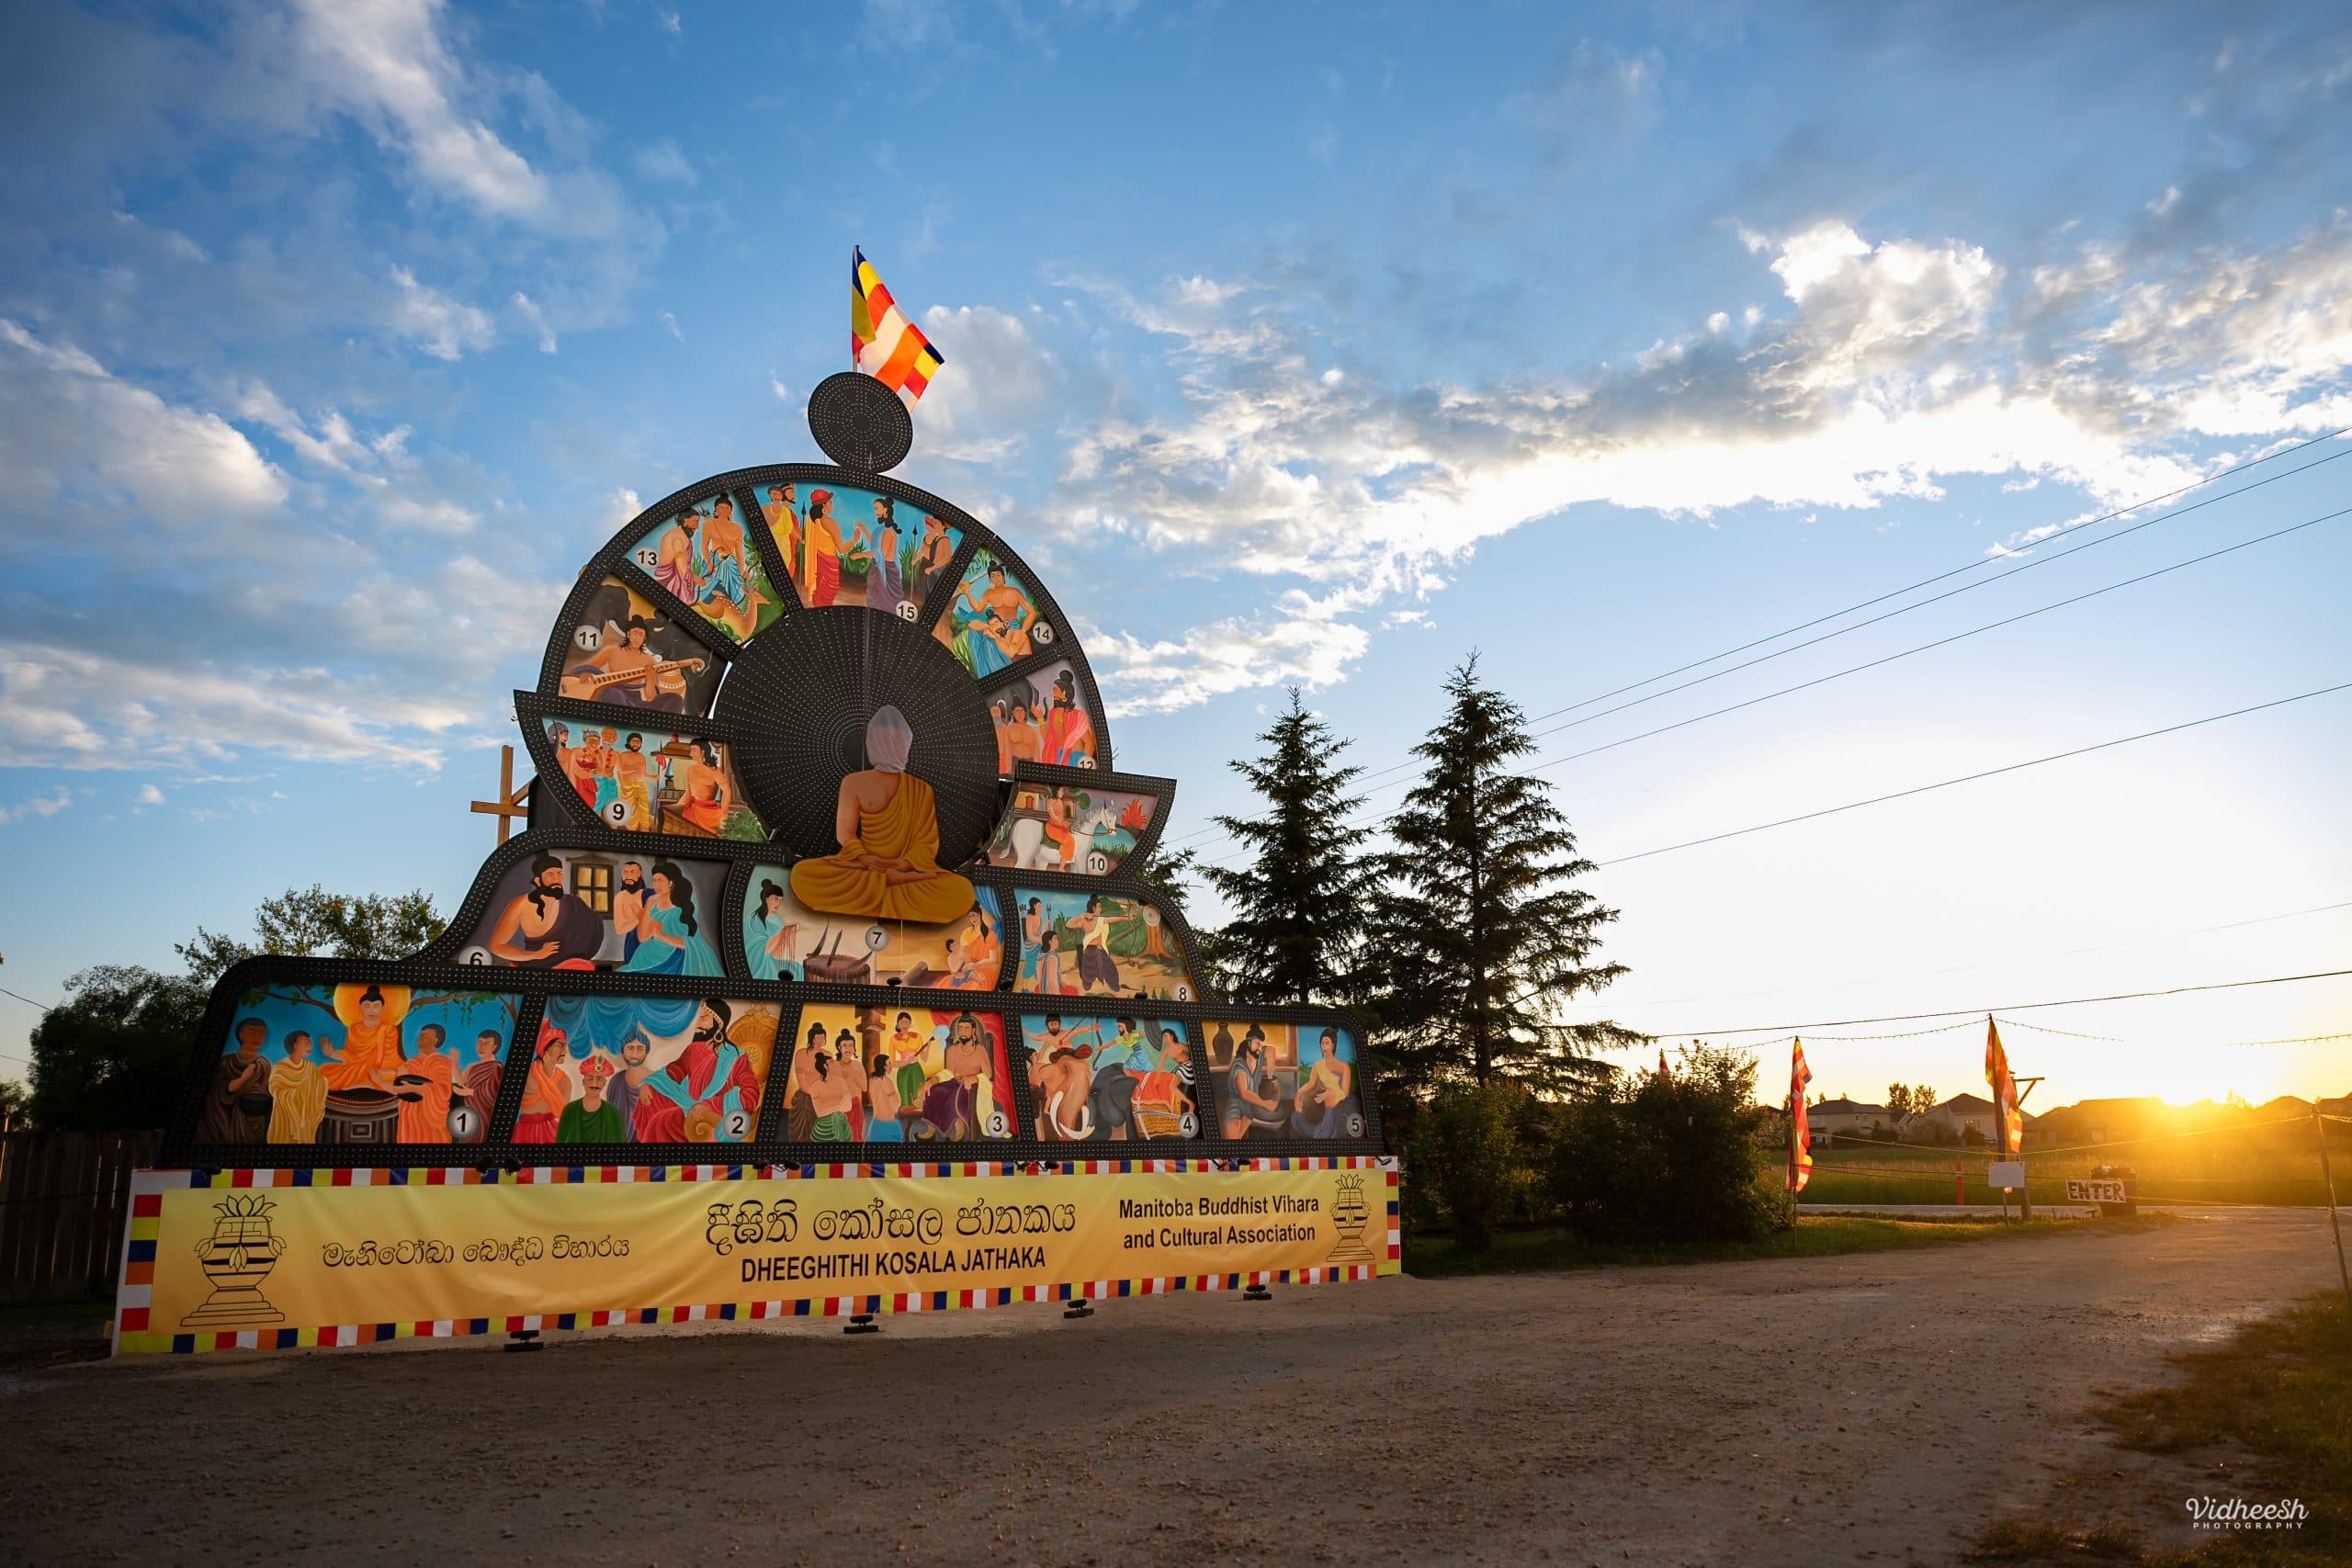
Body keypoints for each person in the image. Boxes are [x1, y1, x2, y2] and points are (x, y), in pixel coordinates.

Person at [789, 706, 976, 922]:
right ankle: (891, 884)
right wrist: (866, 859)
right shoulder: (853, 782)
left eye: (898, 742)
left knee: (961, 890)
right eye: (886, 741)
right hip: (868, 867)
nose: (893, 747)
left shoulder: (921, 789)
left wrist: (904, 864)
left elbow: (926, 843)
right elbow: (845, 833)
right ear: (873, 743)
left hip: (899, 870)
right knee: (804, 873)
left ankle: (883, 887)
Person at [633, 999, 761, 1143]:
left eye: (704, 1019)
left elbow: (750, 1095)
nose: (698, 1023)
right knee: (651, 1104)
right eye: (698, 1018)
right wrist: (649, 1083)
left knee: (660, 1123)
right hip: (692, 1107)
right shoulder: (693, 1050)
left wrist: (710, 1105)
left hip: (715, 1114)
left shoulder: (735, 1056)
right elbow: (673, 1071)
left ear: (719, 1024)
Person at [485, 853, 604, 966]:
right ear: (538, 880)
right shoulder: (521, 904)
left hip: (572, 965)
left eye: (559, 873)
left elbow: (594, 929)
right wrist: (535, 955)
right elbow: (496, 946)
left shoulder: (574, 903)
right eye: (550, 874)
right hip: (534, 967)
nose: (556, 879)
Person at [619, 862, 723, 975]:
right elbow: (643, 938)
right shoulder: (652, 903)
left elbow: (688, 942)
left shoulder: (686, 905)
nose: (656, 885)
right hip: (646, 956)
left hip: (673, 958)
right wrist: (648, 906)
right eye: (654, 880)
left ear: (671, 883)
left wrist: (660, 935)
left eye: (660, 880)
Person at [921, 1013, 1000, 1140]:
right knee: (934, 1090)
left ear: (973, 1031)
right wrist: (933, 1080)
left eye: (966, 1028)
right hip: (954, 1082)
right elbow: (948, 1073)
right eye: (960, 1028)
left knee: (958, 1093)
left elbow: (988, 1074)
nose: (962, 1031)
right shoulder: (952, 1050)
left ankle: (960, 1130)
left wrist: (975, 1078)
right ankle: (931, 1128)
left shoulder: (980, 1050)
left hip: (971, 1086)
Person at [198, 1018, 273, 1144]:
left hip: (255, 1118)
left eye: (262, 1033)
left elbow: (267, 1091)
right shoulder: (226, 1062)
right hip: (228, 1118)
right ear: (241, 1035)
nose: (258, 1037)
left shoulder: (264, 1064)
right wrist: (243, 1079)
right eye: (252, 1032)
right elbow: (219, 1091)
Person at [322, 985, 403, 1091]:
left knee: (387, 1076)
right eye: (367, 1005)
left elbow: (390, 1059)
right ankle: (362, 1081)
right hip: (356, 1069)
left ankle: (363, 1081)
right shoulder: (353, 1029)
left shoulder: (388, 1029)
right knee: (324, 1070)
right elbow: (350, 1055)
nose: (371, 1010)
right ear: (360, 1008)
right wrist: (331, 1054)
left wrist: (377, 1073)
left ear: (382, 1008)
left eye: (376, 1006)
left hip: (380, 1070)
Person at [394, 1021, 458, 1143]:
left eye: (425, 1035)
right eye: (420, 1035)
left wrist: (413, 1088)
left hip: (432, 1120)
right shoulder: (412, 1063)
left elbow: (442, 1091)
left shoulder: (441, 1062)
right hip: (411, 1120)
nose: (420, 1038)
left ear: (436, 1040)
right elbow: (399, 1087)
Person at [262, 1029, 327, 1144]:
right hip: (285, 1119)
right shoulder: (281, 1067)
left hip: (305, 1121)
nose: (310, 1045)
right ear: (295, 1045)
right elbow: (275, 1089)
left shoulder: (311, 1068)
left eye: (310, 1042)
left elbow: (321, 1085)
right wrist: (298, 1096)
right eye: (306, 1042)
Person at [1291, 1029, 1358, 1137]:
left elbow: (1344, 1093)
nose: (1324, 1046)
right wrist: (1297, 1096)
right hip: (1323, 1103)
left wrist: (1329, 1093)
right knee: (1297, 1115)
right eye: (1322, 1043)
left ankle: (1327, 1128)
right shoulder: (1318, 1065)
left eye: (1327, 1043)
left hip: (1338, 1102)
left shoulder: (1344, 1067)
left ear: (1333, 1045)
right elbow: (1310, 1084)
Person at [1224, 1026, 1287, 1139]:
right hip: (1237, 1103)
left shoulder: (1258, 1057)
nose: (1260, 1048)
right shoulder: (1239, 1066)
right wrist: (1265, 1104)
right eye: (1257, 1043)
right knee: (1234, 1134)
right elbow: (1244, 1093)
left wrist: (1270, 1078)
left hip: (1252, 1104)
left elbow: (1271, 1050)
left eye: (1261, 1045)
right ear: (1248, 1043)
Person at [514, 1022, 571, 1143]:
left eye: (565, 1047)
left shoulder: (564, 1080)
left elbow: (565, 1113)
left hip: (551, 1131)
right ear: (546, 1047)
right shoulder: (526, 1074)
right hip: (525, 1131)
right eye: (560, 1045)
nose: (565, 1051)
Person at [558, 1054, 627, 1144]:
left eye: (599, 1079)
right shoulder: (569, 1110)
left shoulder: (613, 1113)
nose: (594, 1084)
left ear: (604, 1083)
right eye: (590, 1078)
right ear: (583, 1082)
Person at [742, 878, 804, 980]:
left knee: (799, 969)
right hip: (759, 964)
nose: (778, 904)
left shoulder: (777, 919)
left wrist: (787, 934)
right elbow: (763, 949)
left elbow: (776, 950)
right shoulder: (753, 920)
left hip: (771, 959)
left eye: (780, 900)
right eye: (775, 899)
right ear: (766, 899)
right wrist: (783, 933)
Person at [674, 739, 733, 834]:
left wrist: (724, 814)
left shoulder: (715, 771)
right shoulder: (690, 770)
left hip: (710, 813)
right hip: (693, 812)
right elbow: (688, 794)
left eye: (693, 750)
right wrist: (675, 807)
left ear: (702, 752)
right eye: (690, 750)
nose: (691, 754)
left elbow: (727, 791)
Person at [457, 1030, 504, 1145]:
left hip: (484, 1115)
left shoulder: (496, 1068)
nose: (481, 1047)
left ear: (494, 1047)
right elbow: (461, 1082)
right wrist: (454, 1062)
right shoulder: (473, 1066)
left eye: (486, 1043)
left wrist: (471, 1092)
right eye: (479, 1042)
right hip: (469, 1113)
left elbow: (494, 1095)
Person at [1069, 896, 1122, 995]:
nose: (1101, 909)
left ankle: (1118, 995)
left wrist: (1126, 917)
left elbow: (1113, 919)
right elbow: (1068, 924)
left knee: (1112, 973)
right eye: (1099, 907)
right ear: (1093, 908)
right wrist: (1083, 915)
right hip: (1090, 951)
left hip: (1101, 951)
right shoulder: (1085, 920)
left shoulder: (1101, 920)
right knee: (1087, 979)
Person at [761, 483, 805, 601]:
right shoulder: (765, 509)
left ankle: (785, 596)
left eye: (778, 494)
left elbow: (791, 529)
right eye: (774, 494)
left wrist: (801, 538)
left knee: (787, 568)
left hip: (785, 546)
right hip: (772, 543)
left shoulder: (786, 512)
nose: (776, 496)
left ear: (782, 496)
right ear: (770, 496)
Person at [653, 506, 705, 604]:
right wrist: (696, 579)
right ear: (686, 520)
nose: (697, 526)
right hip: (672, 584)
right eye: (695, 521)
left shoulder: (680, 535)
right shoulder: (678, 538)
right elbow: (681, 567)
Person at [1041, 674, 1094, 766]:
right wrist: (1040, 719)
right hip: (1060, 757)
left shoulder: (1077, 716)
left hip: (1077, 759)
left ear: (1064, 693)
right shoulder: (1054, 713)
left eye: (1055, 690)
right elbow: (1050, 739)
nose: (1052, 694)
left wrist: (1083, 768)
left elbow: (1089, 743)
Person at [867, 496, 906, 616]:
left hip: (887, 570)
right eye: (875, 508)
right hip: (879, 567)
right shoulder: (880, 529)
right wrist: (863, 528)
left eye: (877, 508)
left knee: (885, 604)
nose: (875, 511)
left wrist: (861, 555)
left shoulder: (888, 531)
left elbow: (882, 553)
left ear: (885, 510)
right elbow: (874, 544)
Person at [944, 905, 999, 989]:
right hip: (966, 967)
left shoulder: (991, 934)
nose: (973, 918)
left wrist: (975, 965)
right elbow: (961, 954)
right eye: (970, 916)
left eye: (974, 915)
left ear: (980, 914)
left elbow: (993, 960)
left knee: (978, 985)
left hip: (985, 968)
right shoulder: (966, 933)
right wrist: (957, 971)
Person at [612, 734, 654, 829]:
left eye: (638, 742)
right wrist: (622, 786)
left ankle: (644, 829)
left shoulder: (642, 756)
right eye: (634, 741)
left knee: (644, 809)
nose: (636, 743)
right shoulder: (623, 755)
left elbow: (643, 773)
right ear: (629, 742)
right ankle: (631, 830)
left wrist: (654, 777)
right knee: (630, 810)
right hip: (627, 786)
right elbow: (620, 772)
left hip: (640, 786)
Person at [611, 862, 649, 963]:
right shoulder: (620, 898)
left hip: (652, 943)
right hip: (633, 945)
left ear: (639, 874)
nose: (628, 876)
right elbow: (619, 929)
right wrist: (639, 918)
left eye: (632, 872)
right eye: (625, 872)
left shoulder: (649, 895)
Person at [863, 1058, 905, 1142]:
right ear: (884, 1067)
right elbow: (895, 1108)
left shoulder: (872, 1080)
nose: (891, 1066)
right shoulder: (887, 1081)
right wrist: (896, 1098)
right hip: (888, 1123)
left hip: (875, 1124)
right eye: (889, 1064)